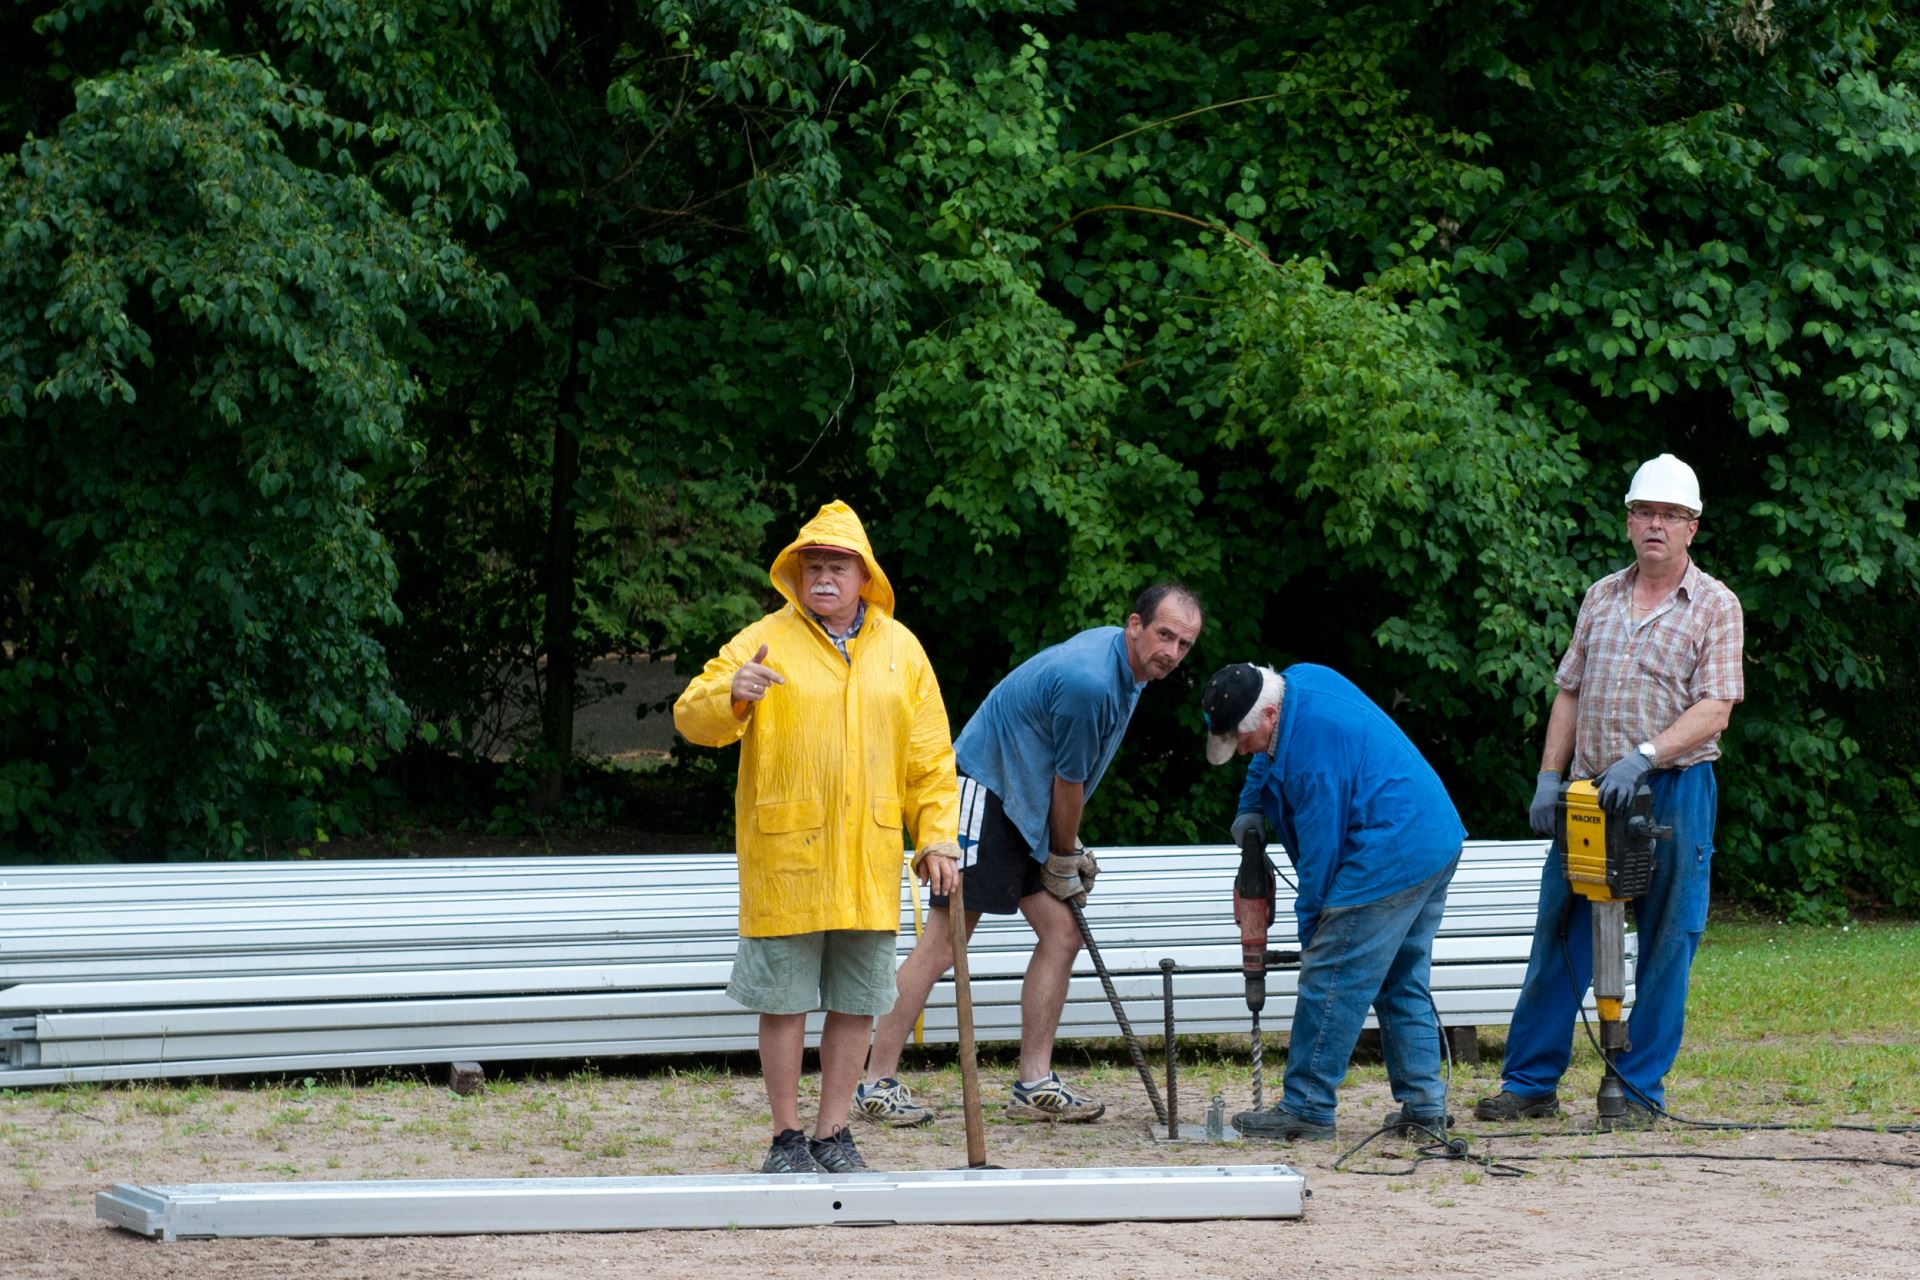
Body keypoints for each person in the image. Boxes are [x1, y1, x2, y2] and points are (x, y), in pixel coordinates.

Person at [673, 500, 960, 1174]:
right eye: (812, 566)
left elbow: (931, 759)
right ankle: (785, 1138)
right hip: (788, 859)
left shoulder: (901, 650)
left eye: (837, 567)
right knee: (784, 1002)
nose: (823, 577)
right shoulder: (763, 638)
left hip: (867, 859)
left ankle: (834, 1134)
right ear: (795, 573)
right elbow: (692, 716)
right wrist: (732, 694)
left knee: (856, 1003)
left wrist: (938, 838)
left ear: (865, 577)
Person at [856, 584, 1205, 1126]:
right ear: (1134, 624)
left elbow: (1067, 776)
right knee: (945, 944)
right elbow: (1071, 781)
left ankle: (1034, 1081)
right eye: (1165, 635)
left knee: (1062, 934)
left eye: (1184, 644)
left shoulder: (1129, 671)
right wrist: (1064, 857)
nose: (1172, 652)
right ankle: (875, 1083)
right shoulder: (1093, 682)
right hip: (984, 791)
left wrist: (1062, 851)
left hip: (1024, 807)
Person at [1475, 453, 1744, 1126]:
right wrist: (1549, 776)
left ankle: (1637, 1091)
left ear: (1693, 529)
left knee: (1666, 939)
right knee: (1560, 932)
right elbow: (1570, 691)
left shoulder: (1715, 605)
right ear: (1629, 522)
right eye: (1645, 512)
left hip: (1674, 792)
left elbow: (1716, 707)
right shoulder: (1600, 596)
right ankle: (1530, 1083)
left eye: (1671, 515)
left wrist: (1646, 757)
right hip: (1590, 796)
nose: (1656, 524)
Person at [1205, 661, 1465, 1140]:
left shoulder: (1312, 765)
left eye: (1241, 739)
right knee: (1401, 976)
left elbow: (1319, 866)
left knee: (1331, 977)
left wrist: (1316, 942)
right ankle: (1424, 1106)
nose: (1241, 751)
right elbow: (1267, 758)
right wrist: (1251, 806)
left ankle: (1307, 1107)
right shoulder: (1298, 682)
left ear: (1266, 717)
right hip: (1434, 835)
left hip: (1392, 850)